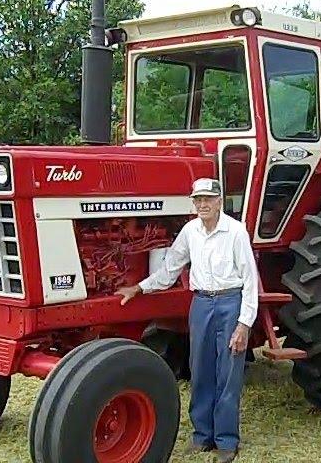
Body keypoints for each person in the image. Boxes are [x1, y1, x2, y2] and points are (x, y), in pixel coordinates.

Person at [115, 177, 259, 463]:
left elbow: (250, 281)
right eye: (198, 200)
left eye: (208, 199)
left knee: (228, 371)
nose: (203, 204)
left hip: (230, 302)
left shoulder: (235, 232)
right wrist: (139, 287)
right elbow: (170, 269)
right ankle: (201, 435)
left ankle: (227, 440)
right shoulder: (190, 231)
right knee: (200, 368)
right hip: (201, 304)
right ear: (193, 203)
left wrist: (244, 324)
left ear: (220, 201)